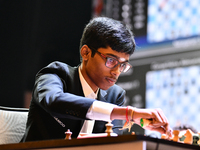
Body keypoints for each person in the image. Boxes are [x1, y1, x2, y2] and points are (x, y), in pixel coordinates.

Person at [21, 17, 172, 142]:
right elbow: (53, 100)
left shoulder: (115, 95)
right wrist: (129, 113)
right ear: (86, 53)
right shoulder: (56, 74)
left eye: (122, 65)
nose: (116, 71)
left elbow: (112, 141)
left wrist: (139, 121)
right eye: (111, 60)